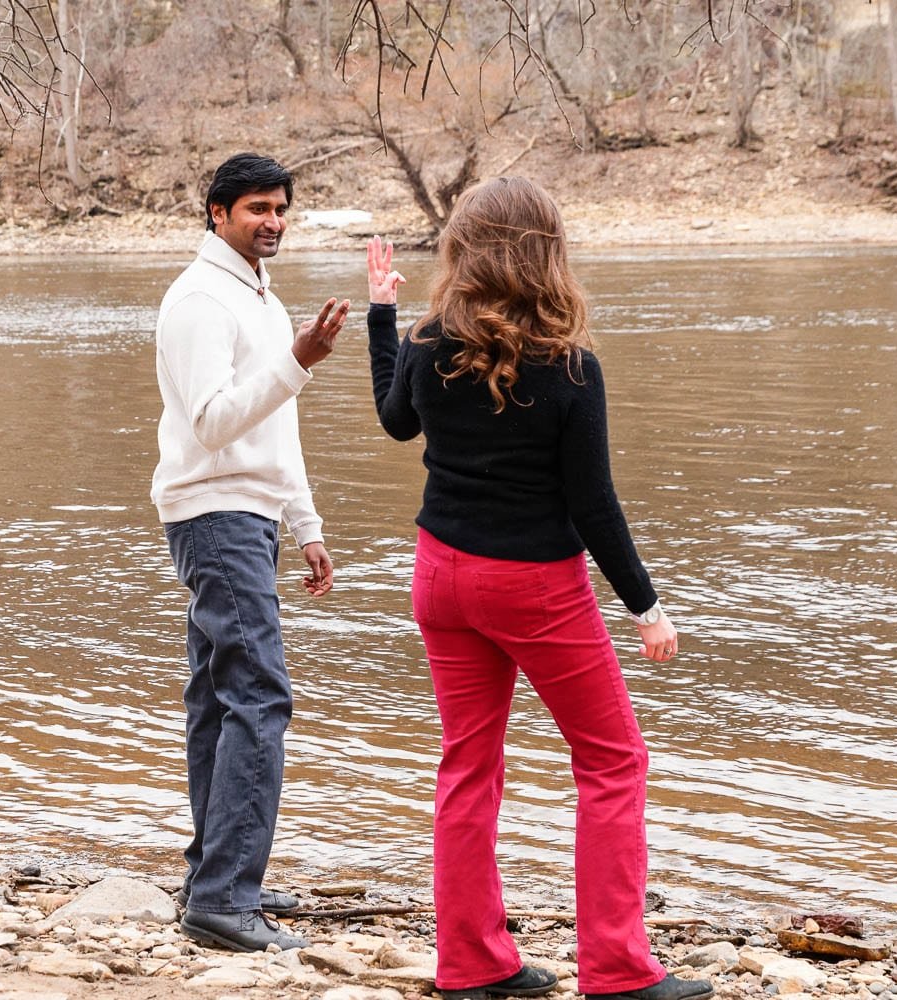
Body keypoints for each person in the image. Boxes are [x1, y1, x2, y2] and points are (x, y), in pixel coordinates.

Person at [363, 178, 712, 1000]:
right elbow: (594, 505)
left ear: (465, 249)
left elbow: (394, 421)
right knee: (613, 762)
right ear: (546, 254)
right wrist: (647, 608)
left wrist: (384, 316)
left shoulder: (425, 344)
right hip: (534, 589)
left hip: (440, 577)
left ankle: (472, 965)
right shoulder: (570, 368)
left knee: (468, 767)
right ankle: (619, 970)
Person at [152, 152, 349, 953]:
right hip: (213, 511)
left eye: (280, 209)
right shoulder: (199, 298)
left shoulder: (260, 298)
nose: (271, 221)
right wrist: (298, 361)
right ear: (217, 213)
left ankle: (217, 878)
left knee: (219, 698)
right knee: (260, 697)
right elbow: (211, 421)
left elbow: (276, 428)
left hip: (248, 513)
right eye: (256, 209)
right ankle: (226, 899)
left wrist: (306, 526)